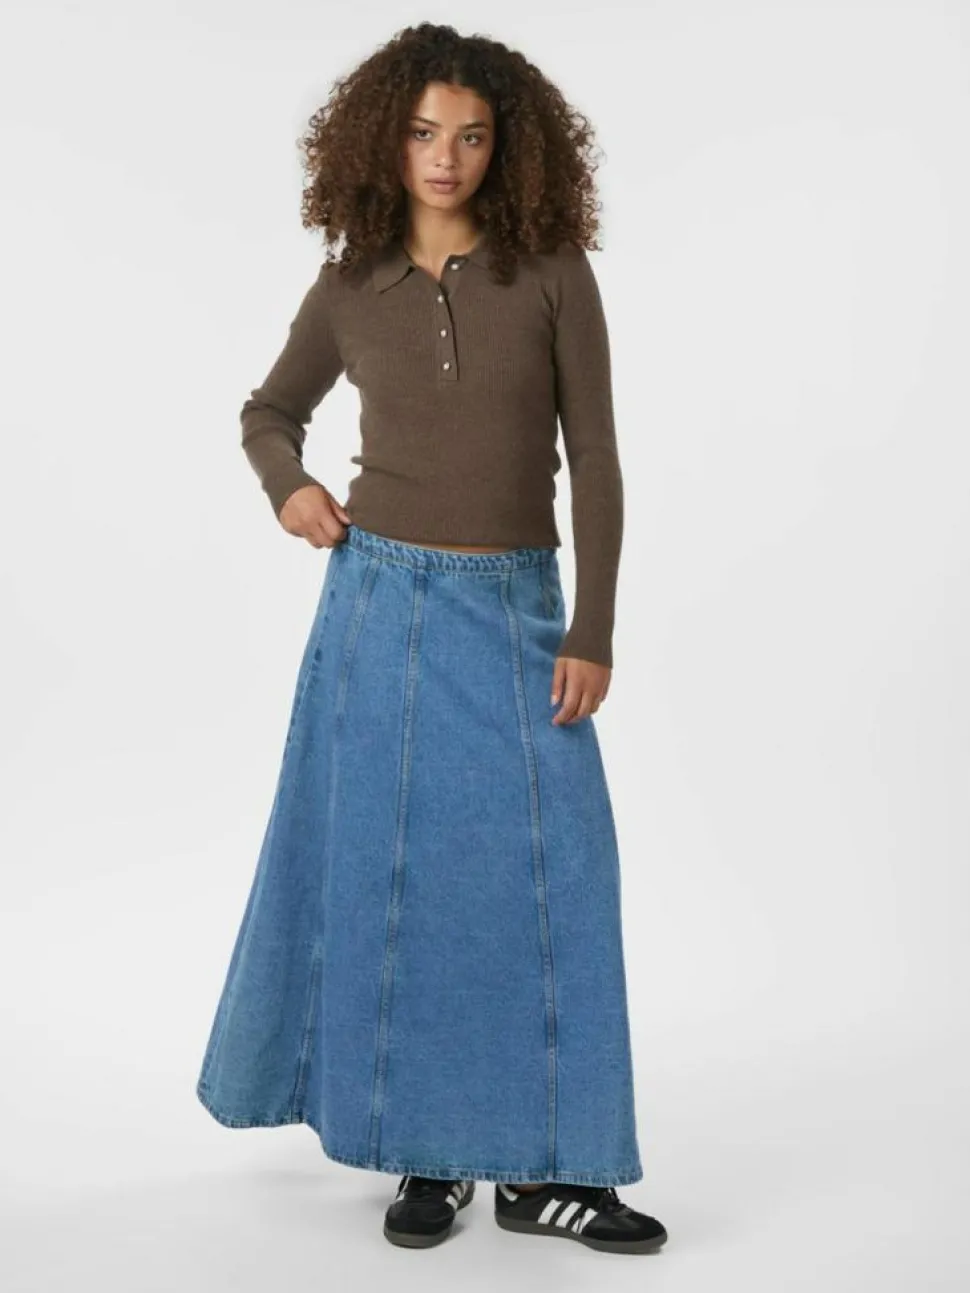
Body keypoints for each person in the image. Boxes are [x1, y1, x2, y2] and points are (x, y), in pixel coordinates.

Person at [196, 21, 668, 1257]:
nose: (445, 157)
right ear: (383, 142)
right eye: (421, 133)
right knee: (396, 882)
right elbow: (267, 412)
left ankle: (549, 1169)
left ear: (508, 147)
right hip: (380, 610)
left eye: (470, 135)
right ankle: (427, 1154)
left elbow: (595, 456)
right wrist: (289, 487)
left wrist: (593, 625)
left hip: (518, 609)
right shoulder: (350, 285)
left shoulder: (551, 270)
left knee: (555, 879)